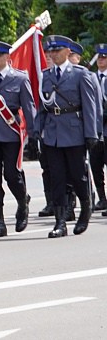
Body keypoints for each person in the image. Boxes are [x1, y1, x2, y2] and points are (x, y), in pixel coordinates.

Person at [36, 35, 102, 236]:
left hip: (74, 131)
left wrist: (91, 134)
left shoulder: (81, 75)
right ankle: (60, 222)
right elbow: (43, 106)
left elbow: (90, 106)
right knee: (57, 178)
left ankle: (85, 209)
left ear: (67, 52)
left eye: (57, 51)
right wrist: (36, 132)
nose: (52, 54)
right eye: (50, 51)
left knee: (78, 175)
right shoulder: (46, 76)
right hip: (53, 132)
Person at [0, 40, 35, 237]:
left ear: (7, 57)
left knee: (11, 174)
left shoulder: (20, 79)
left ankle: (22, 202)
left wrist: (34, 134)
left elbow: (28, 107)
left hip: (11, 132)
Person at [89, 44, 107, 211]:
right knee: (95, 165)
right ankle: (102, 198)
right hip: (95, 130)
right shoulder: (91, 77)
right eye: (99, 57)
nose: (101, 60)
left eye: (104, 57)